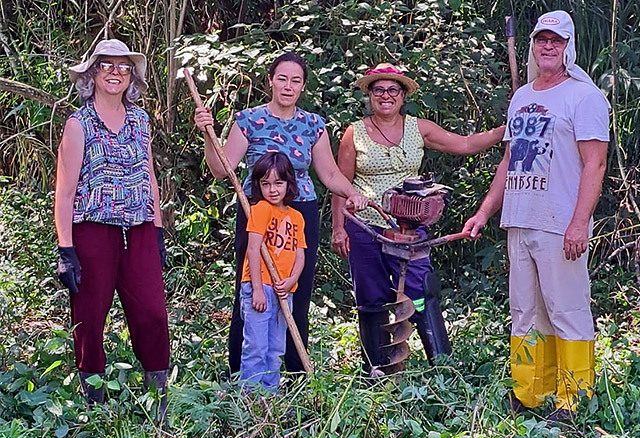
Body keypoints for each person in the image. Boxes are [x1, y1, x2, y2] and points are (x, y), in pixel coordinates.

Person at [462, 11, 610, 420]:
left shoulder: (584, 96)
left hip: (560, 222)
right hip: (520, 218)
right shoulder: (523, 96)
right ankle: (529, 393)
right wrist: (484, 212)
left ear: (569, 47)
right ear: (533, 45)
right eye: (542, 39)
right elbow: (509, 160)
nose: (548, 46)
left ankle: (573, 399)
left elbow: (595, 165)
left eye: (557, 40)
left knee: (567, 310)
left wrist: (579, 222)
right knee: (526, 311)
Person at [193, 53, 368, 376]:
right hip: (257, 213)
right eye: (282, 79)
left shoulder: (313, 124)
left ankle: (294, 374)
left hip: (299, 213)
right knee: (250, 288)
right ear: (271, 80)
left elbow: (328, 174)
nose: (288, 86)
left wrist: (353, 193)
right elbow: (222, 169)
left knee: (294, 292)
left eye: (296, 80)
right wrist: (207, 134)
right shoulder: (248, 119)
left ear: (303, 86)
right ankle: (243, 372)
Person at [330, 62, 505, 372]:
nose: (386, 96)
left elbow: (464, 144)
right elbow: (339, 183)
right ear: (369, 95)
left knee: (422, 290)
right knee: (371, 297)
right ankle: (378, 372)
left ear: (403, 95)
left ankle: (443, 370)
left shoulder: (418, 128)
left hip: (409, 226)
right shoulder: (353, 133)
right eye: (379, 90)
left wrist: (505, 131)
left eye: (393, 90)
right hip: (365, 226)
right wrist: (339, 228)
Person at [54, 39, 170, 418]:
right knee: (90, 314)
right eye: (107, 65)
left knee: (152, 312)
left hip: (138, 230)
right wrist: (65, 249)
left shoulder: (140, 120)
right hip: (93, 231)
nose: (115, 72)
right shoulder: (79, 124)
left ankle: (158, 399)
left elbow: (149, 175)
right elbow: (65, 191)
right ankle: (95, 403)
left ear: (131, 75)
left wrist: (157, 228)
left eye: (123, 66)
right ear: (93, 73)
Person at [239, 151, 306, 391]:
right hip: (260, 288)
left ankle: (270, 398)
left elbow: (300, 253)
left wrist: (292, 280)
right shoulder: (260, 210)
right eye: (265, 183)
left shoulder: (297, 217)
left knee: (276, 348)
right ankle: (248, 398)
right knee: (256, 346)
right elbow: (253, 249)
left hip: (284, 290)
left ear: (289, 183)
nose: (273, 189)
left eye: (278, 183)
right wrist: (256, 288)